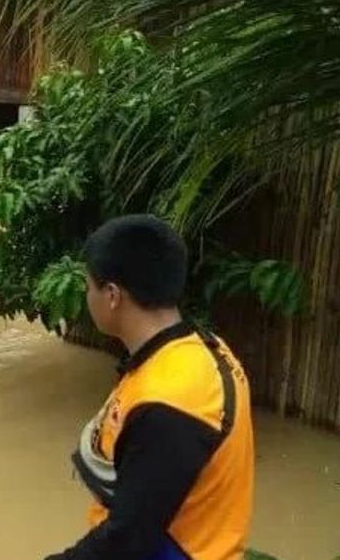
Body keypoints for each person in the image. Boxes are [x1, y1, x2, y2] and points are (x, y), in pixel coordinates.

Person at [46, 215, 253, 560]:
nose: (86, 296)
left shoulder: (168, 403)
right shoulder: (203, 346)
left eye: (88, 287)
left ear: (112, 295)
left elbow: (128, 540)